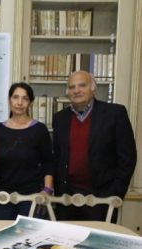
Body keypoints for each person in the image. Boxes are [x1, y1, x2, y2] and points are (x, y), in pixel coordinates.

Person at [52, 71, 137, 222]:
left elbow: (128, 158)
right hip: (67, 199)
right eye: (72, 87)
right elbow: (57, 157)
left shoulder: (115, 114)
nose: (76, 90)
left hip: (102, 198)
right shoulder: (60, 118)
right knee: (67, 244)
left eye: (82, 85)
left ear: (93, 88)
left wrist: (115, 192)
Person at [0, 82, 54, 220]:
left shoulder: (39, 129)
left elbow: (48, 163)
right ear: (9, 100)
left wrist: (47, 190)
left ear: (30, 102)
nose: (19, 102)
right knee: (4, 239)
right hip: (3, 198)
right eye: (15, 97)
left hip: (32, 197)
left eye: (25, 98)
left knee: (31, 239)